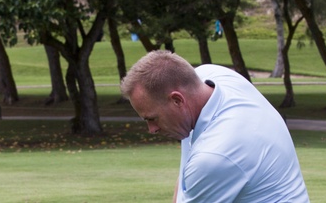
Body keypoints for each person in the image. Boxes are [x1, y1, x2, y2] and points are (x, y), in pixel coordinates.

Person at [121, 50, 310, 203]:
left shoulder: (215, 156)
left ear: (177, 100)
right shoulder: (209, 77)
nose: (152, 129)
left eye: (152, 118)